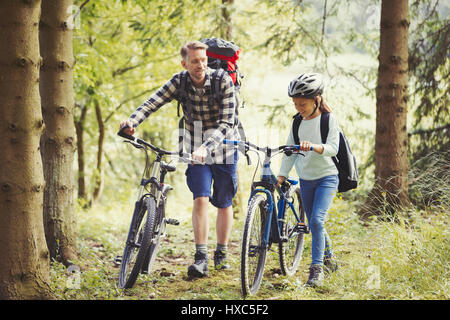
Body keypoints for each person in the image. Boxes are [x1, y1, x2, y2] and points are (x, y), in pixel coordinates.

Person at [119, 41, 240, 278]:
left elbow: (228, 123)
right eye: (195, 61)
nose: (201, 65)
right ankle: (201, 256)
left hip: (224, 143)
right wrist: (132, 122)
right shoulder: (180, 81)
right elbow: (152, 102)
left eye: (203, 60)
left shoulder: (222, 80)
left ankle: (222, 252)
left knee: (224, 201)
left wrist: (207, 147)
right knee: (201, 197)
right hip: (194, 142)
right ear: (184, 63)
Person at [276, 73, 339, 287]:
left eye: (302, 103)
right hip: (306, 180)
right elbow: (290, 151)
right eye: (295, 103)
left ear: (316, 99)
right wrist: (282, 175)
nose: (298, 107)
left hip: (327, 178)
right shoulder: (297, 123)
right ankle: (330, 257)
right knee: (314, 223)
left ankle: (316, 271)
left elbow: (333, 148)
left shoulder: (328, 119)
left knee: (317, 221)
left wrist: (313, 146)